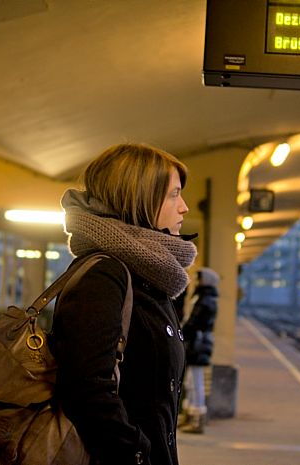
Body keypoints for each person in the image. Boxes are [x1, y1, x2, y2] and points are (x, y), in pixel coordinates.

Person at [52, 143, 197, 465]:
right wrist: (137, 455)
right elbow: (87, 388)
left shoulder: (147, 277)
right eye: (174, 194)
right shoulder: (105, 275)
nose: (184, 207)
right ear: (140, 197)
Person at [179, 267, 219, 434]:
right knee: (191, 381)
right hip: (198, 342)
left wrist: (182, 332)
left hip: (198, 343)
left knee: (195, 381)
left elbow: (195, 322)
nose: (196, 280)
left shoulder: (205, 299)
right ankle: (191, 415)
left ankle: (196, 419)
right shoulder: (204, 297)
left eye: (199, 278)